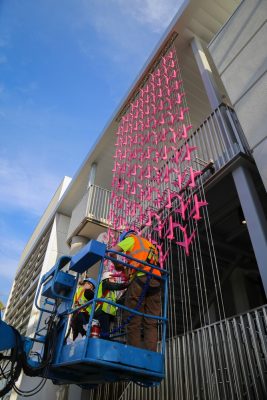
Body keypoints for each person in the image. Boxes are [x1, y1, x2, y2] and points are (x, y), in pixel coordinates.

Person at [109, 230, 161, 351]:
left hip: (140, 279)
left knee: (133, 319)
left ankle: (133, 352)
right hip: (156, 281)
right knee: (151, 321)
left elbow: (112, 252)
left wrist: (117, 266)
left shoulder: (131, 239)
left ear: (125, 237)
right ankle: (151, 353)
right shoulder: (150, 244)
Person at [94, 271, 129, 338]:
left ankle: (104, 340)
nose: (115, 279)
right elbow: (117, 286)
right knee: (105, 331)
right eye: (113, 278)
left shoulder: (110, 290)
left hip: (107, 313)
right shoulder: (105, 283)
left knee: (106, 331)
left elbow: (115, 302)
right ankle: (104, 342)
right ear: (107, 278)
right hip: (102, 311)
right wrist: (126, 284)